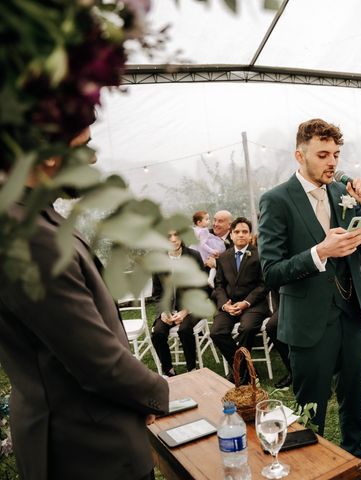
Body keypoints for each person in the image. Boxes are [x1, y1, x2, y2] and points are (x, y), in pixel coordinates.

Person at [0, 122, 169, 479]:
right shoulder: (30, 235)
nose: (92, 157)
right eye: (83, 144)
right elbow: (97, 362)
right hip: (91, 452)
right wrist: (156, 394)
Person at [258, 118, 361, 459]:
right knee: (311, 409)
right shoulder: (276, 200)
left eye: (336, 155)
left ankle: (354, 459)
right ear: (300, 156)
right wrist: (320, 252)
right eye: (323, 154)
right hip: (309, 321)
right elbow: (270, 271)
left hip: (352, 315)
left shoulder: (344, 194)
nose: (332, 162)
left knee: (354, 398)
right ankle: (313, 467)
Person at [212, 217, 270, 383]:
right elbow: (219, 285)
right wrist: (224, 305)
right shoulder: (223, 257)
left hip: (253, 305)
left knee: (247, 328)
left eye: (245, 232)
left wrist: (246, 303)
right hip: (229, 305)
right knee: (216, 332)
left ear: (250, 235)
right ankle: (245, 368)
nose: (241, 235)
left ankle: (239, 373)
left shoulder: (259, 255)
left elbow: (263, 284)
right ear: (231, 234)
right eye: (237, 232)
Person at [150, 230, 206, 376]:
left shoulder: (194, 256)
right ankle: (169, 370)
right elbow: (157, 293)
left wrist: (186, 310)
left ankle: (191, 369)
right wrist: (163, 311)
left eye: (177, 235)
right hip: (168, 309)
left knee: (185, 330)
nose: (174, 240)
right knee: (158, 333)